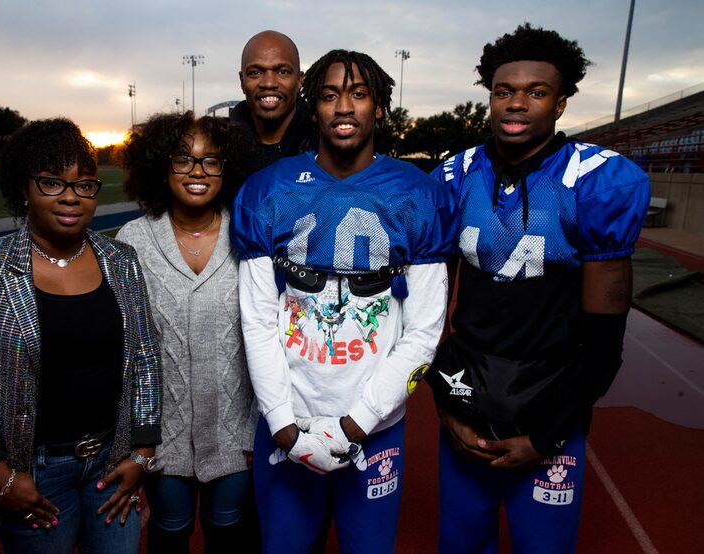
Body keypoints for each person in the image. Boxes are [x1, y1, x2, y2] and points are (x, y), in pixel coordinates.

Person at [427, 24, 650, 553]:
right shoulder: (456, 177)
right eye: (505, 91)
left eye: (536, 91)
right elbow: (428, 315)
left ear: (561, 103)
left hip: (552, 393)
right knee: (460, 542)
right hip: (469, 385)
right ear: (489, 99)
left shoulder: (595, 181)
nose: (517, 103)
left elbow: (604, 338)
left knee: (543, 546)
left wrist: (546, 435)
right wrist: (446, 406)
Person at [231, 49, 456, 553]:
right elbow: (258, 324)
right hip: (288, 420)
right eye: (330, 95)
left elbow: (423, 333)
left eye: (359, 94)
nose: (344, 107)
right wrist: (286, 428)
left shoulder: (418, 194)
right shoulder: (269, 190)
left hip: (375, 427)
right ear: (314, 108)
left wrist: (356, 423)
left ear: (379, 107)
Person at [0, 118, 162, 554]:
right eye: (52, 182)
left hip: (111, 464)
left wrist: (142, 453)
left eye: (85, 185)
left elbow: (145, 356)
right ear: (24, 188)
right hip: (31, 471)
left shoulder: (121, 261)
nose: (71, 196)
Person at [117, 112, 258, 553]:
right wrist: (133, 439)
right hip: (162, 437)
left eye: (211, 161)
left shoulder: (249, 233)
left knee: (227, 529)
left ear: (226, 169)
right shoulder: (132, 240)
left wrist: (259, 426)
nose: (198, 172)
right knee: (170, 531)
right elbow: (124, 350)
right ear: (161, 166)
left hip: (237, 432)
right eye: (183, 159)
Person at [230, 30, 313, 170]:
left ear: (299, 80)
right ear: (242, 81)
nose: (269, 83)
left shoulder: (323, 145)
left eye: (282, 72)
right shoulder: (220, 148)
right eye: (255, 73)